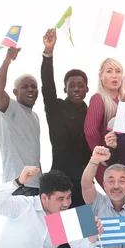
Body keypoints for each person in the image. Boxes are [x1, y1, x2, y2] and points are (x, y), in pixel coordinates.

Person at [84, 17, 125, 186]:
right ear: (101, 76)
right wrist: (103, 157)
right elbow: (90, 132)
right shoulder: (99, 98)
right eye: (109, 71)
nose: (114, 76)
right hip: (108, 162)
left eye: (118, 71)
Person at [41, 28, 90, 208]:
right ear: (65, 90)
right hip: (58, 184)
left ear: (87, 89)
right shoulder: (57, 108)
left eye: (80, 85)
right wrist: (48, 53)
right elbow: (47, 86)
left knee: (85, 233)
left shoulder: (92, 114)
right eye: (72, 86)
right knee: (58, 234)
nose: (76, 89)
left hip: (83, 185)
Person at [0, 46, 43, 195]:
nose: (30, 90)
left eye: (34, 87)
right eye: (25, 87)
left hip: (37, 185)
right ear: (15, 92)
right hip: (18, 184)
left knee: (42, 219)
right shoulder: (11, 108)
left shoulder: (35, 117)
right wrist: (7, 60)